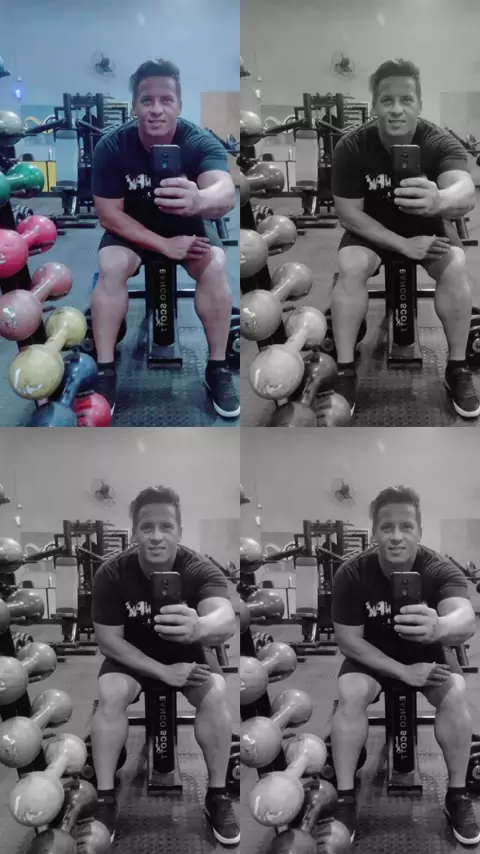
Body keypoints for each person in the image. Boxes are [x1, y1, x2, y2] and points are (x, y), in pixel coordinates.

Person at [90, 486, 240, 846]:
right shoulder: (112, 573)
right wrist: (162, 672)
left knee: (216, 693)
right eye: (147, 527)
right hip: (130, 656)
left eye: (166, 527)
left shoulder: (197, 568)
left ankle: (217, 794)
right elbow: (108, 640)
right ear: (134, 532)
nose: (156, 536)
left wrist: (200, 626)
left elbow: (225, 617)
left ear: (179, 530)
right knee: (109, 693)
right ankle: (105, 797)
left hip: (186, 654)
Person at [331, 58, 479, 419]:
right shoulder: (352, 146)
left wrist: (440, 200)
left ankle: (457, 367)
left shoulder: (438, 141)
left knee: (456, 266)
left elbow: (465, 192)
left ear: (419, 104)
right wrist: (402, 245)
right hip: (371, 229)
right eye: (387, 100)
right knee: (349, 266)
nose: (396, 109)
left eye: (406, 99)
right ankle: (345, 370)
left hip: (427, 228)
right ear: (374, 105)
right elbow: (348, 214)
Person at [330, 485, 479, 845]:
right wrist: (401, 672)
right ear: (374, 532)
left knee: (456, 693)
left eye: (406, 527)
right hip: (371, 655)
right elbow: (348, 641)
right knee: (350, 693)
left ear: (419, 531)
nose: (396, 536)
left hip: (426, 654)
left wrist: (440, 627)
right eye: (387, 527)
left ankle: (457, 795)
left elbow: (465, 619)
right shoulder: (352, 573)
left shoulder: (438, 568)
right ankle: (346, 798)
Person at [91, 58, 239, 419]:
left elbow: (225, 192)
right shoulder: (112, 146)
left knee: (215, 265)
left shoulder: (198, 141)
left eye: (166, 100)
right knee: (110, 265)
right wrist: (163, 245)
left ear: (179, 105)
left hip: (186, 227)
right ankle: (105, 371)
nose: (156, 109)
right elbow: (109, 214)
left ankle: (217, 367)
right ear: (134, 106)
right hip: (132, 229)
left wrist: (199, 199)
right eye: (147, 100)